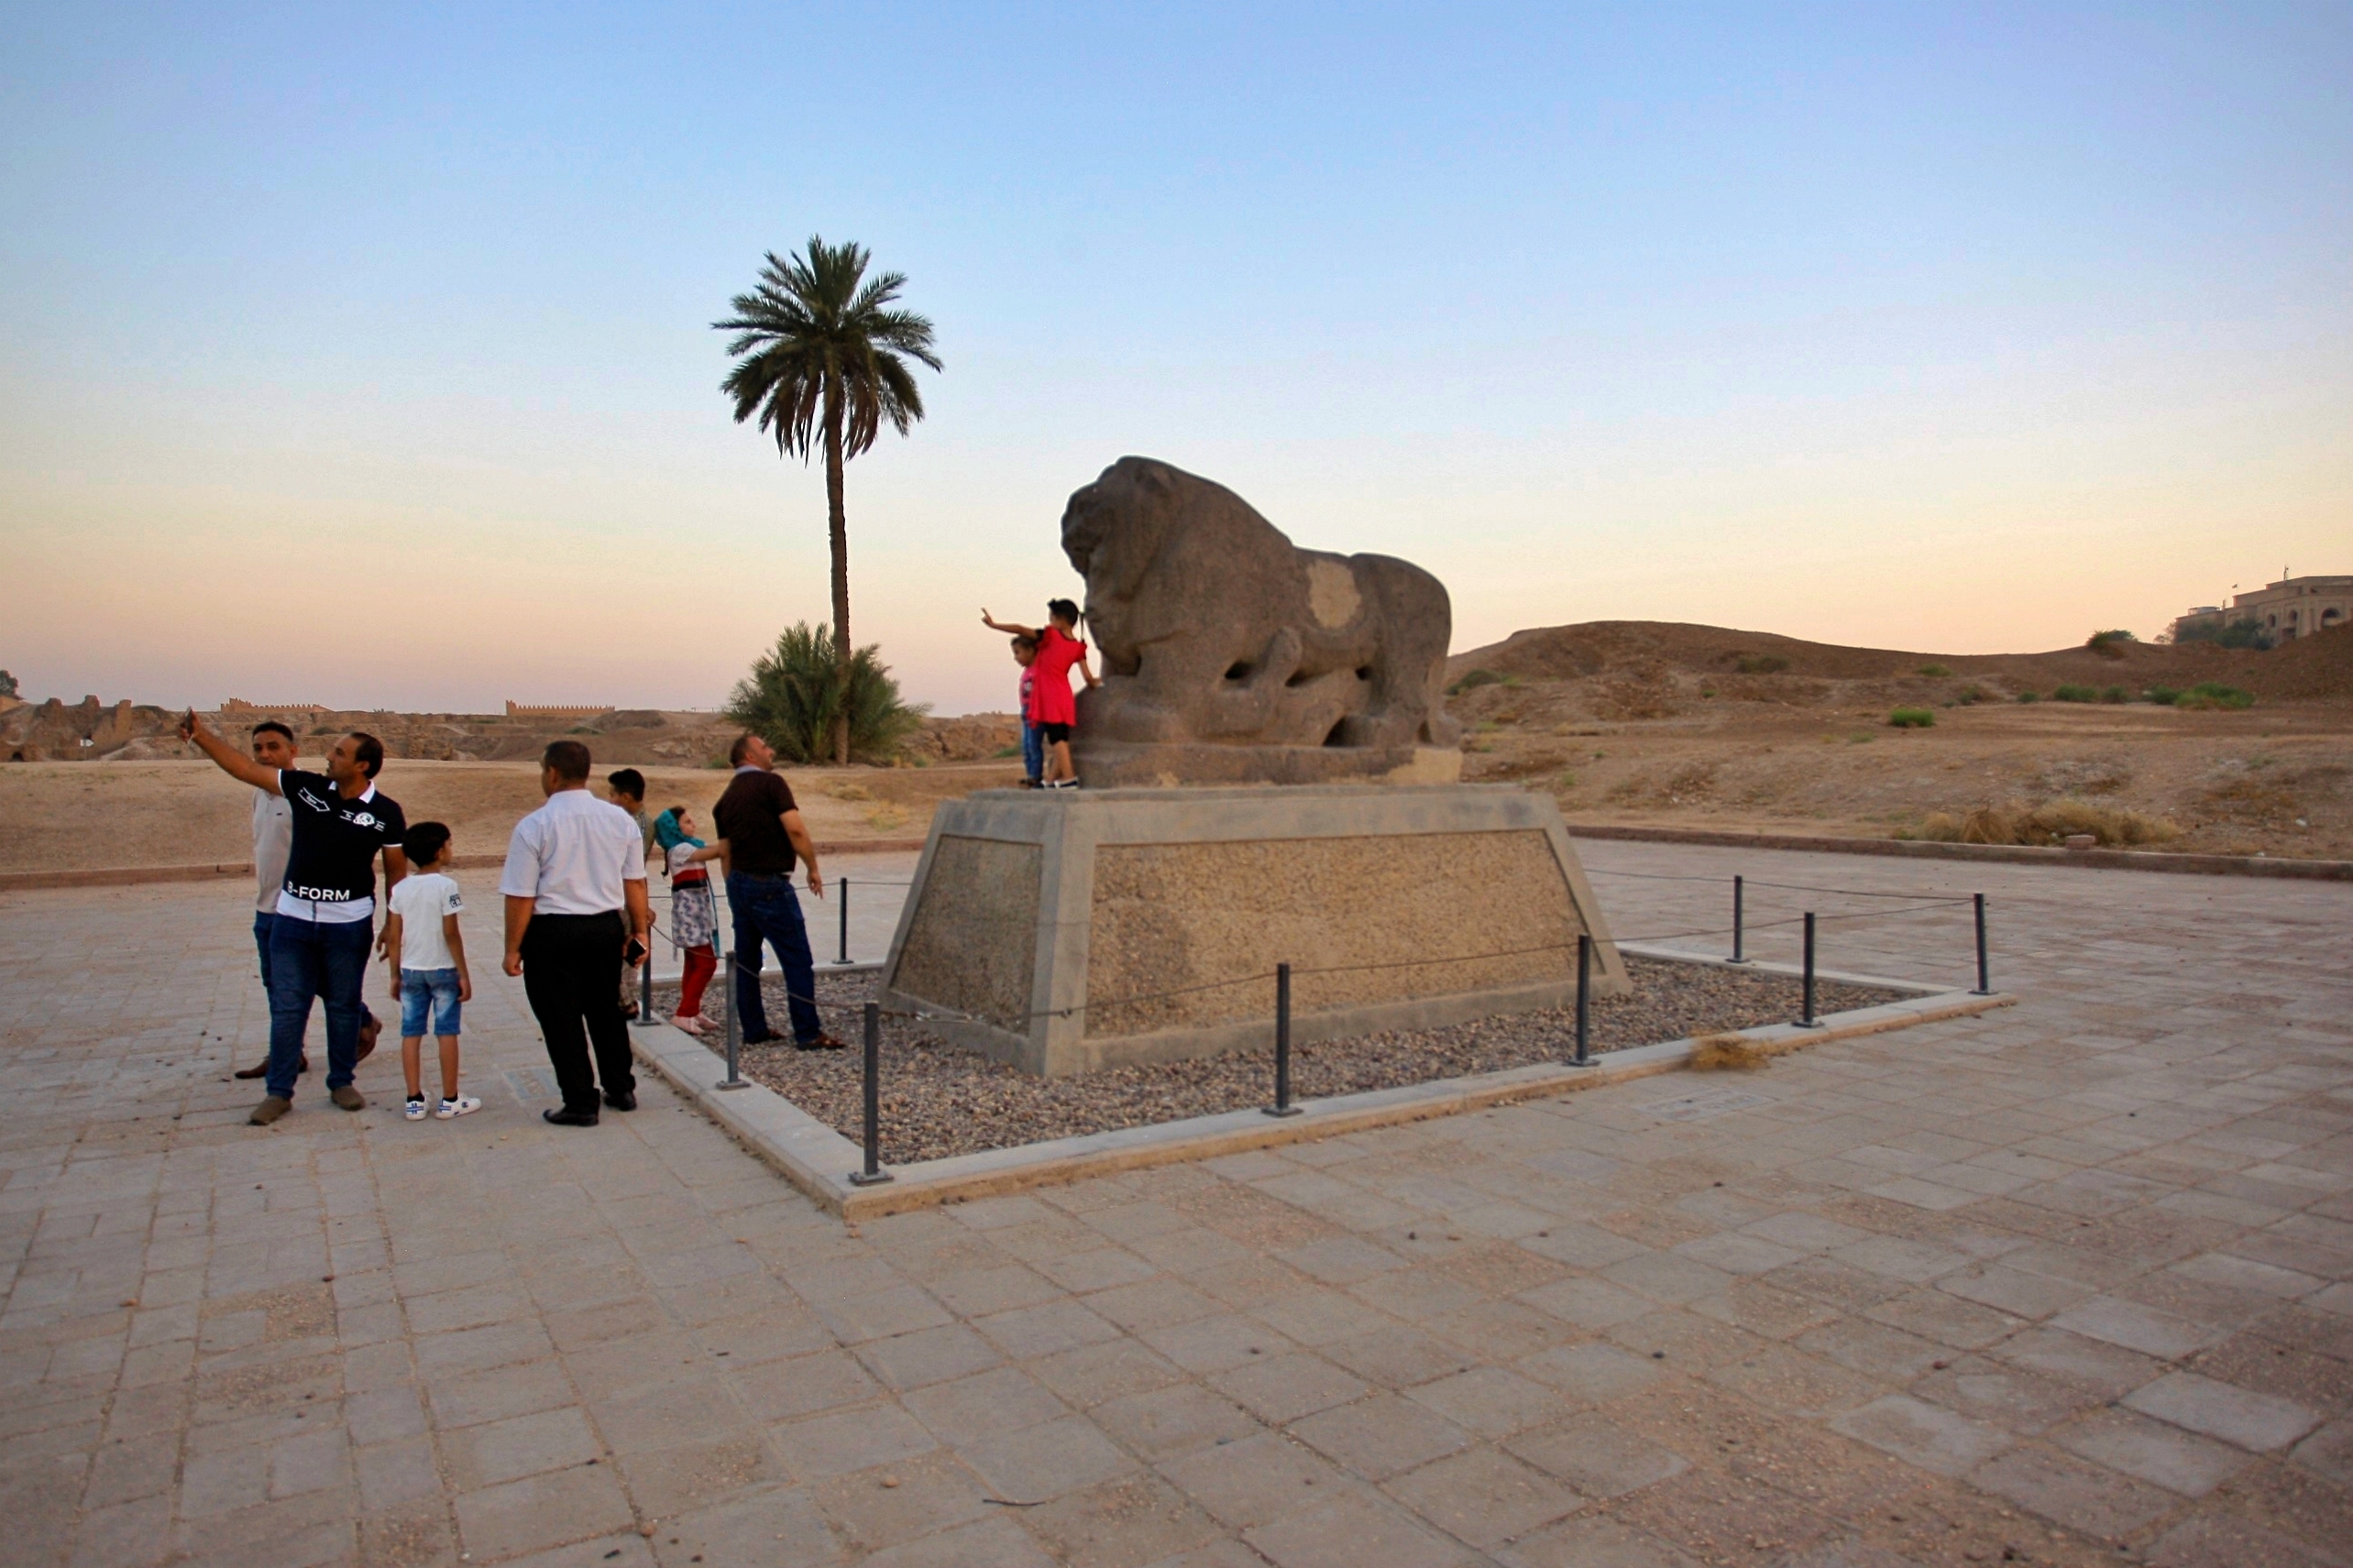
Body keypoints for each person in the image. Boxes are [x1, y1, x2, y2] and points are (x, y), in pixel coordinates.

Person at [180, 711, 408, 1125]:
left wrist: (394, 923)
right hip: (293, 921)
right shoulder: (306, 789)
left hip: (349, 924)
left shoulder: (387, 813)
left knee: (341, 1006)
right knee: (289, 1008)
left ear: (362, 766)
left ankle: (341, 1082)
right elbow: (244, 768)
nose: (329, 756)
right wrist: (200, 736)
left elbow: (395, 872)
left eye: (339, 753)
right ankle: (279, 1092)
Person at [501, 740, 653, 1125]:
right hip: (604, 926)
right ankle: (621, 1087)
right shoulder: (619, 820)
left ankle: (581, 1100)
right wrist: (640, 932)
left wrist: (512, 948)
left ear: (552, 773)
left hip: (552, 931)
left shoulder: (534, 826)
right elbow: (634, 882)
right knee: (606, 1010)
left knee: (561, 1018)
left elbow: (521, 895)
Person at [713, 733, 841, 1049]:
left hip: (740, 883)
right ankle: (808, 1032)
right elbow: (795, 828)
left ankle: (754, 1028)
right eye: (764, 747)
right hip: (769, 884)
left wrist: (732, 890)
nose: (771, 751)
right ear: (750, 756)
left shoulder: (725, 800)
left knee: (746, 961)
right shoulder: (772, 784)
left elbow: (725, 852)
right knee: (796, 957)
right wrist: (812, 865)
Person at [383, 821, 478, 1121]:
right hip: (443, 969)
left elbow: (395, 936)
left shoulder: (400, 889)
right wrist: (463, 972)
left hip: (411, 970)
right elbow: (452, 933)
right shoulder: (447, 887)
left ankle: (414, 1098)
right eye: (449, 845)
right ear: (439, 852)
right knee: (446, 1030)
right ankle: (450, 1098)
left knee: (411, 1032)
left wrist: (394, 974)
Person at [983, 600, 1098, 787]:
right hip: (1064, 695)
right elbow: (1089, 678)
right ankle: (1051, 780)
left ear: (1060, 619)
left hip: (1050, 695)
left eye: (1052, 618)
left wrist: (994, 625)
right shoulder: (1078, 647)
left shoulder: (1051, 636)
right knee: (1061, 738)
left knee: (1057, 739)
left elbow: (1020, 629)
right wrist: (1100, 682)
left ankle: (1069, 779)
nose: (1050, 622)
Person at [652, 806, 724, 1036]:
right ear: (674, 828)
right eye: (687, 821)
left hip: (696, 916)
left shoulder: (684, 848)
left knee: (693, 964)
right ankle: (684, 1012)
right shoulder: (680, 849)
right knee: (707, 963)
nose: (693, 824)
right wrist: (733, 841)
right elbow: (710, 853)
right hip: (691, 918)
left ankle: (692, 1010)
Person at [607, 769, 653, 1018]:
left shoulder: (639, 825)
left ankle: (627, 1001)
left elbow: (636, 871)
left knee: (630, 952)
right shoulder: (624, 821)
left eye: (612, 794)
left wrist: (641, 907)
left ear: (625, 796)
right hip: (622, 894)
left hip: (626, 896)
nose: (609, 799)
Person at [1009, 634, 1043, 786]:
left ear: (1030, 651)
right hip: (1026, 710)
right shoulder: (1028, 670)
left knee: (1034, 745)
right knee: (1026, 746)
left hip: (1035, 711)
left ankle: (1036, 775)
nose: (1016, 658)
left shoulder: (1039, 670)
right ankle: (1030, 774)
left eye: (1018, 652)